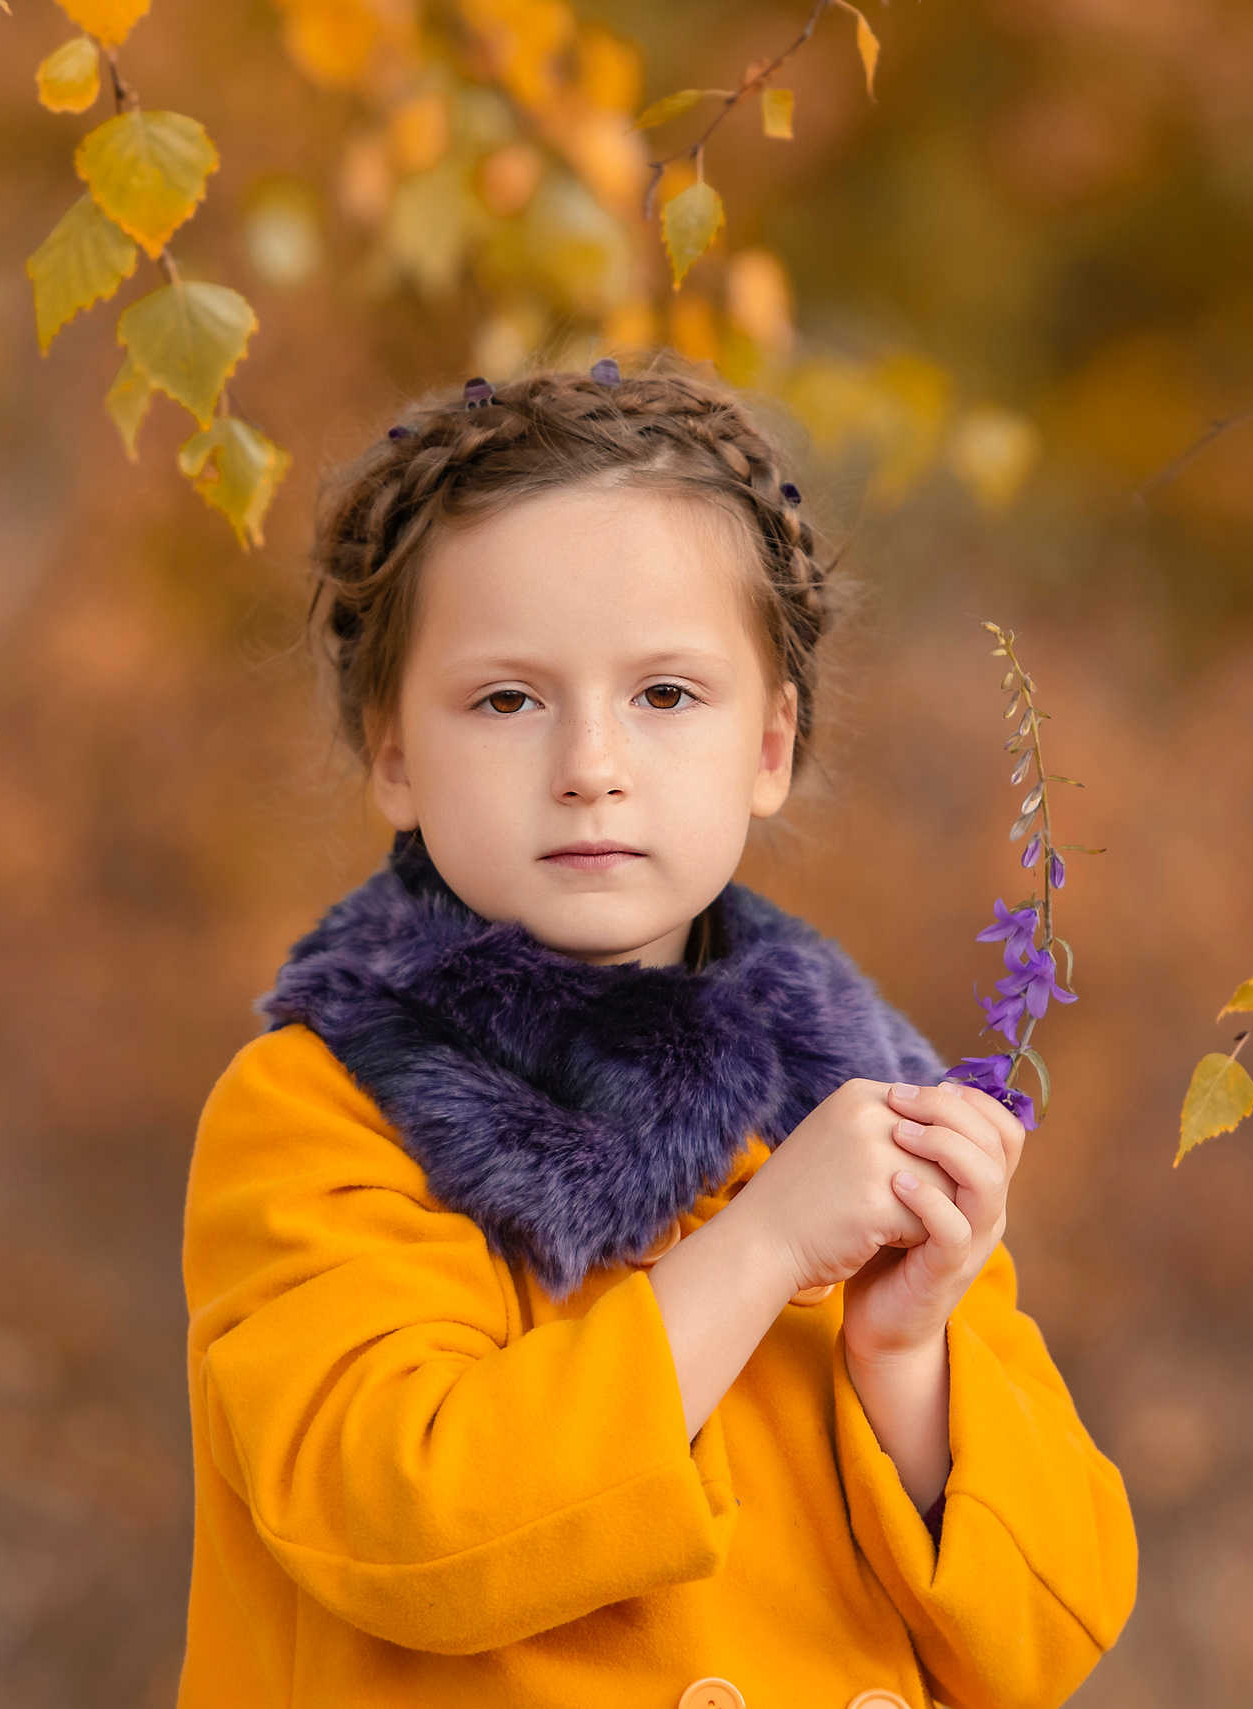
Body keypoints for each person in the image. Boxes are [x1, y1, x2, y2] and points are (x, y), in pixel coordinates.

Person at [178, 355, 1136, 1709]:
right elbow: (405, 1516)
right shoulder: (325, 1108)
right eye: (507, 698)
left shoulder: (859, 1107)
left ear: (771, 744)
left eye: (666, 695)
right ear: (394, 749)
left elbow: (1053, 1628)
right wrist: (762, 1248)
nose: (591, 764)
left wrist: (903, 1355)